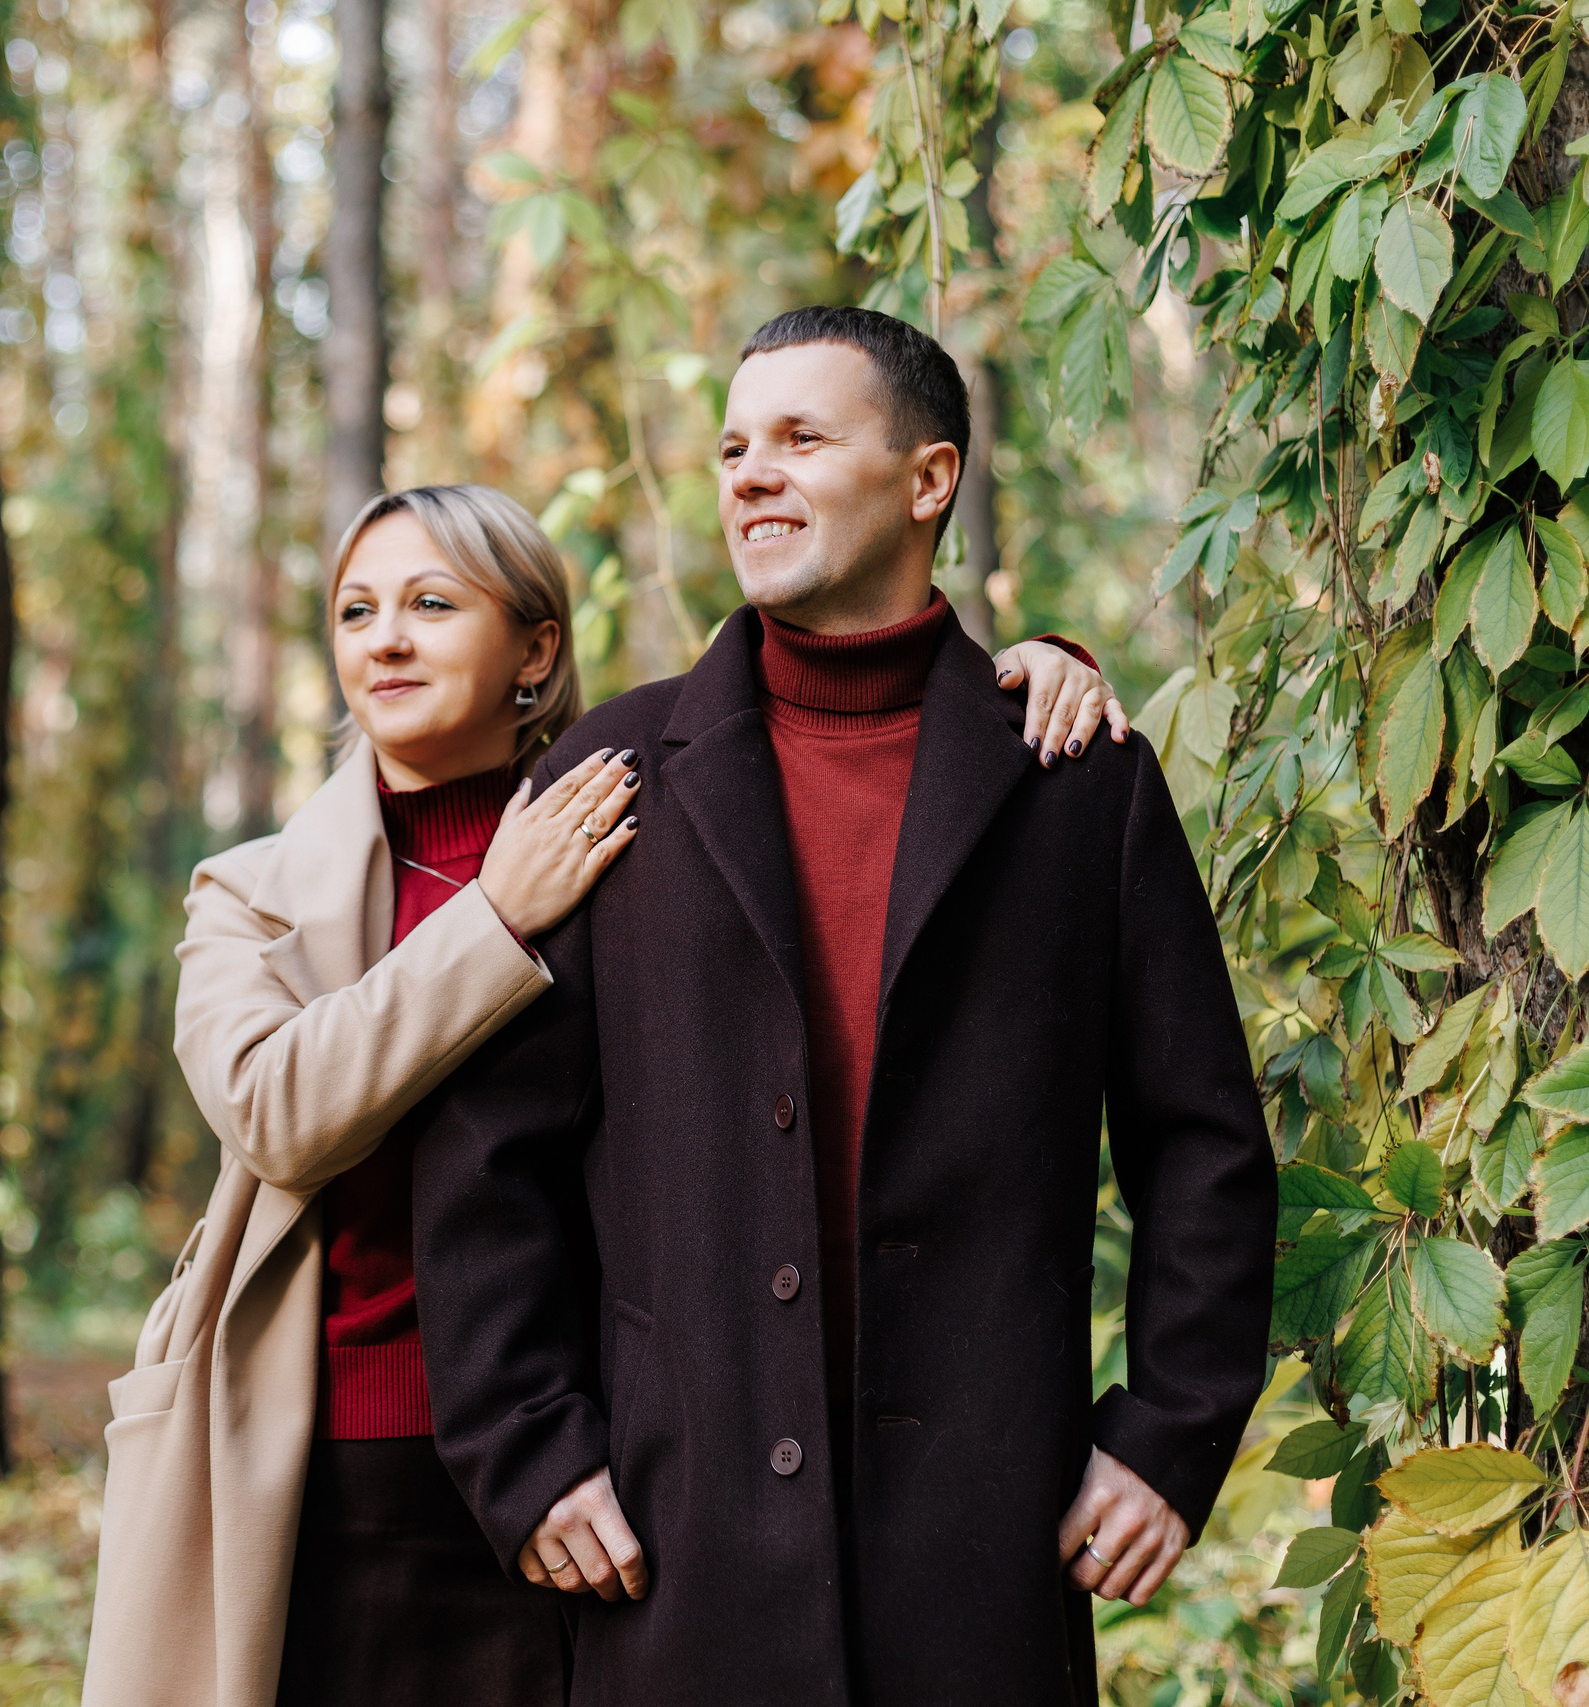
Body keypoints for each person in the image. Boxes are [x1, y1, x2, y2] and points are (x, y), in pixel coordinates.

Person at [78, 480, 1124, 1707]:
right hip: (340, 1458)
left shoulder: (639, 811)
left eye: (428, 602)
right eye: (355, 612)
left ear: (535, 647)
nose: (385, 640)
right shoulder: (252, 893)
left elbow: (828, 728)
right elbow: (274, 1114)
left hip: (610, 1458)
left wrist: (1028, 674)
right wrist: (493, 919)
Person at [411, 308, 1278, 1707]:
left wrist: (1167, 1434)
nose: (751, 472)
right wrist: (530, 1445)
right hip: (671, 1549)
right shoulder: (611, 771)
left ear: (929, 478)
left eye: (803, 438)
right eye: (734, 446)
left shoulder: (1076, 779)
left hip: (987, 1555)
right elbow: (484, 1152)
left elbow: (1206, 1148)